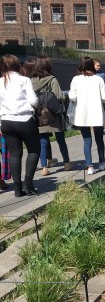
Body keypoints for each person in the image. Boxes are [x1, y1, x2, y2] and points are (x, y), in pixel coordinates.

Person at [0, 55, 39, 197]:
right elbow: (34, 101)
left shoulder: (0, 82)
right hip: (25, 119)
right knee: (34, 149)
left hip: (6, 122)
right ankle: (28, 184)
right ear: (17, 64)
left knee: (15, 153)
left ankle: (17, 188)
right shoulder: (24, 80)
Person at [27, 57, 72, 175]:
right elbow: (59, 96)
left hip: (39, 114)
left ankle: (44, 168)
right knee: (60, 139)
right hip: (53, 114)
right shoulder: (52, 79)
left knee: (42, 141)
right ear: (47, 66)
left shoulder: (31, 80)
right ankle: (66, 163)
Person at [68, 57, 105, 174]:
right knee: (99, 139)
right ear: (92, 66)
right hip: (97, 113)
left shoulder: (76, 79)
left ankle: (89, 166)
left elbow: (72, 97)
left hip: (82, 114)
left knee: (87, 141)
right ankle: (102, 163)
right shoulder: (99, 80)